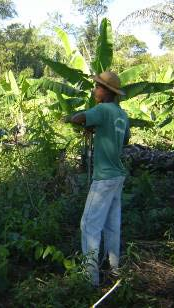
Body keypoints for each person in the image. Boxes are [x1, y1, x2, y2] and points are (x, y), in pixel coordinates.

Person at [64, 71, 130, 287]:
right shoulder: (122, 114)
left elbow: (79, 118)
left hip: (104, 178)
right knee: (112, 225)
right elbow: (125, 140)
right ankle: (114, 269)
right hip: (118, 176)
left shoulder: (102, 109)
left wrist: (73, 118)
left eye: (97, 87)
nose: (94, 90)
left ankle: (89, 279)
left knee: (89, 225)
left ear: (106, 91)